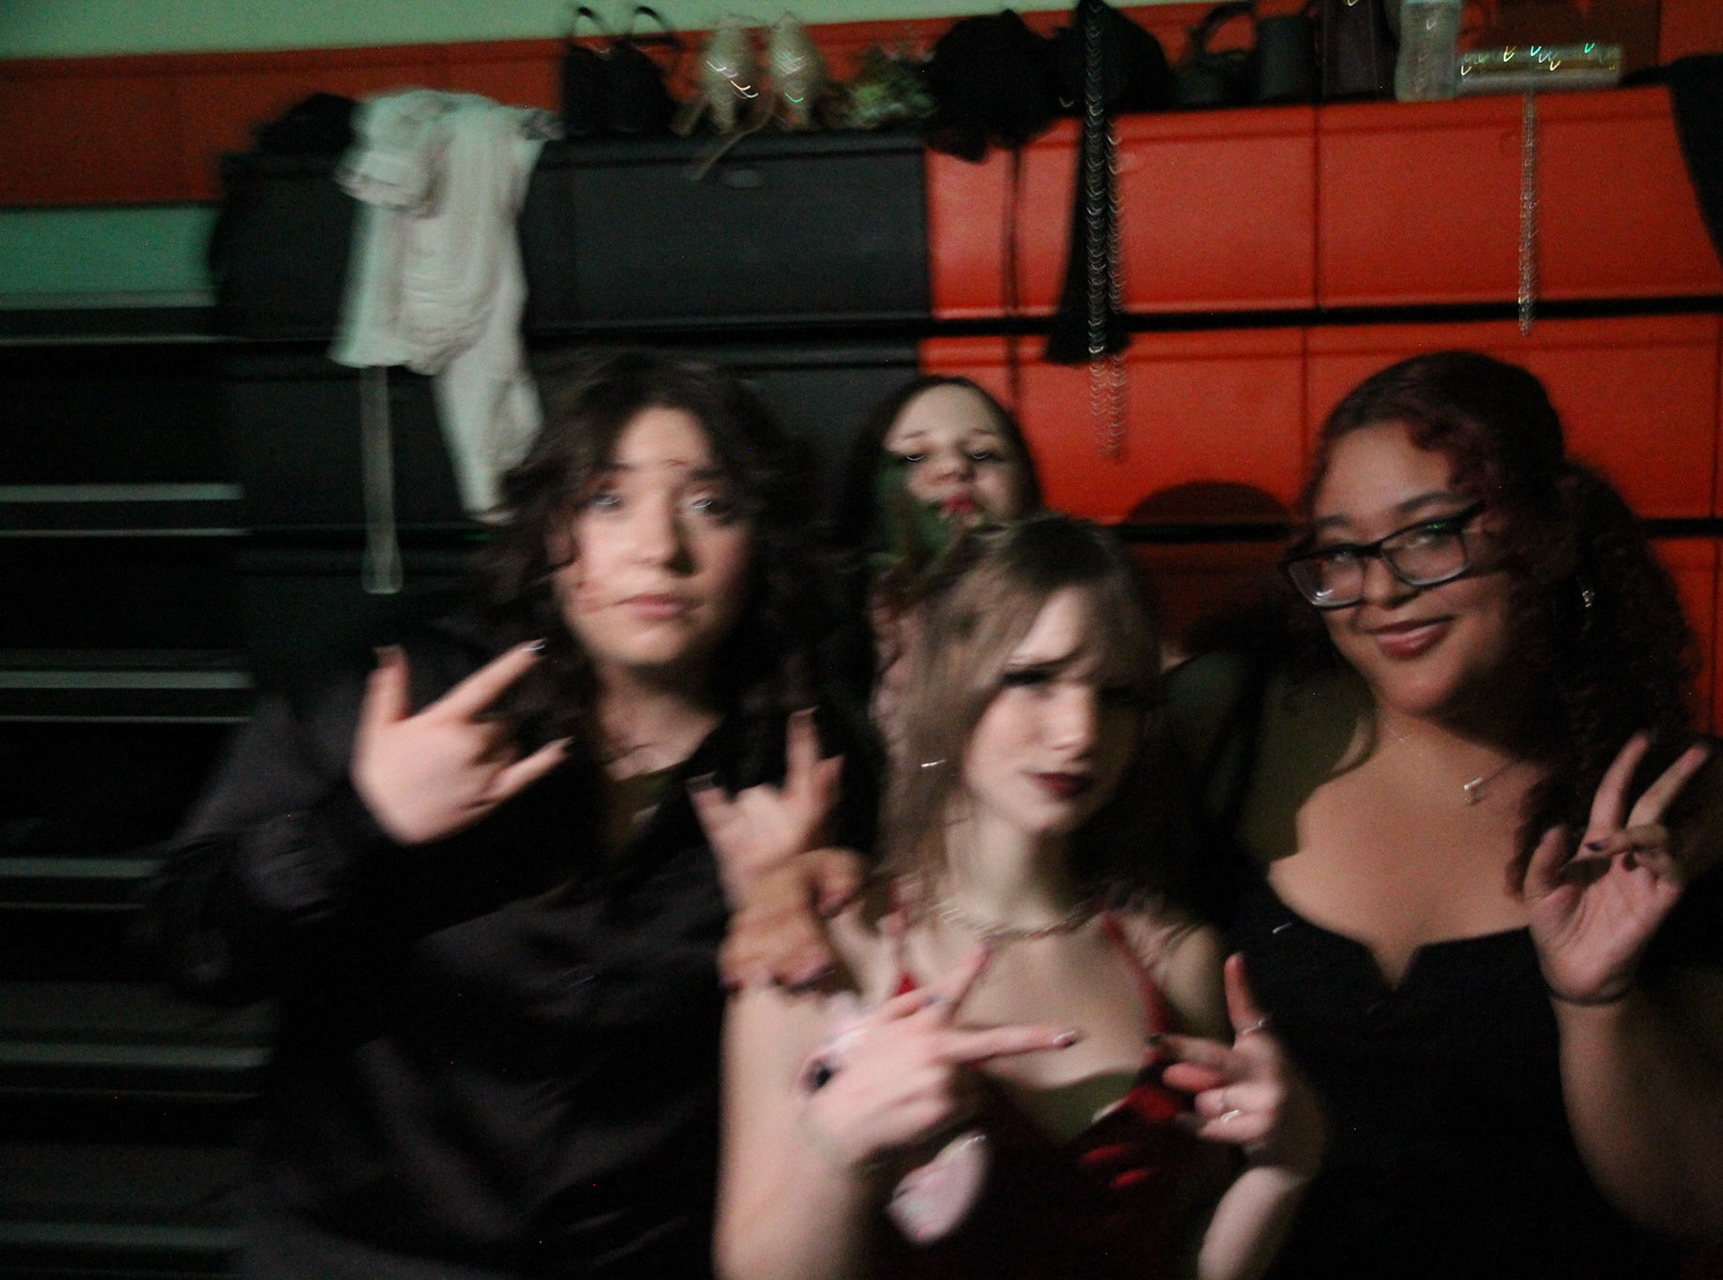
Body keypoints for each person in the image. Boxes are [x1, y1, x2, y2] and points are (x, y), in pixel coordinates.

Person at [151, 351, 869, 1279]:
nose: (659, 548)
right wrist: (358, 824)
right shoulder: (412, 690)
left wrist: (815, 919)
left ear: (761, 537)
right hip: (351, 1258)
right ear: (548, 523)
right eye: (607, 500)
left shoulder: (805, 764)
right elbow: (188, 947)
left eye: (710, 504)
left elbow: (864, 1091)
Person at [1171, 351, 1723, 1278]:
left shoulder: (1679, 809)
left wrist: (1598, 1005)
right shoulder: (1225, 724)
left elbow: (1712, 1200)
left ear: (1550, 534)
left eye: (1429, 536)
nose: (1381, 590)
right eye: (1342, 552)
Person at [709, 515, 1326, 1280]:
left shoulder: (1177, 958)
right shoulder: (818, 949)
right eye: (1034, 678)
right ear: (945, 678)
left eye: (1116, 694)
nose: (1079, 731)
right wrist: (839, 1142)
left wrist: (1283, 1169)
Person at [830, 376, 1045, 735]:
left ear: (1025, 482)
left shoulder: (1074, 608)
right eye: (914, 456)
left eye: (982, 454)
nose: (954, 467)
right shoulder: (827, 634)